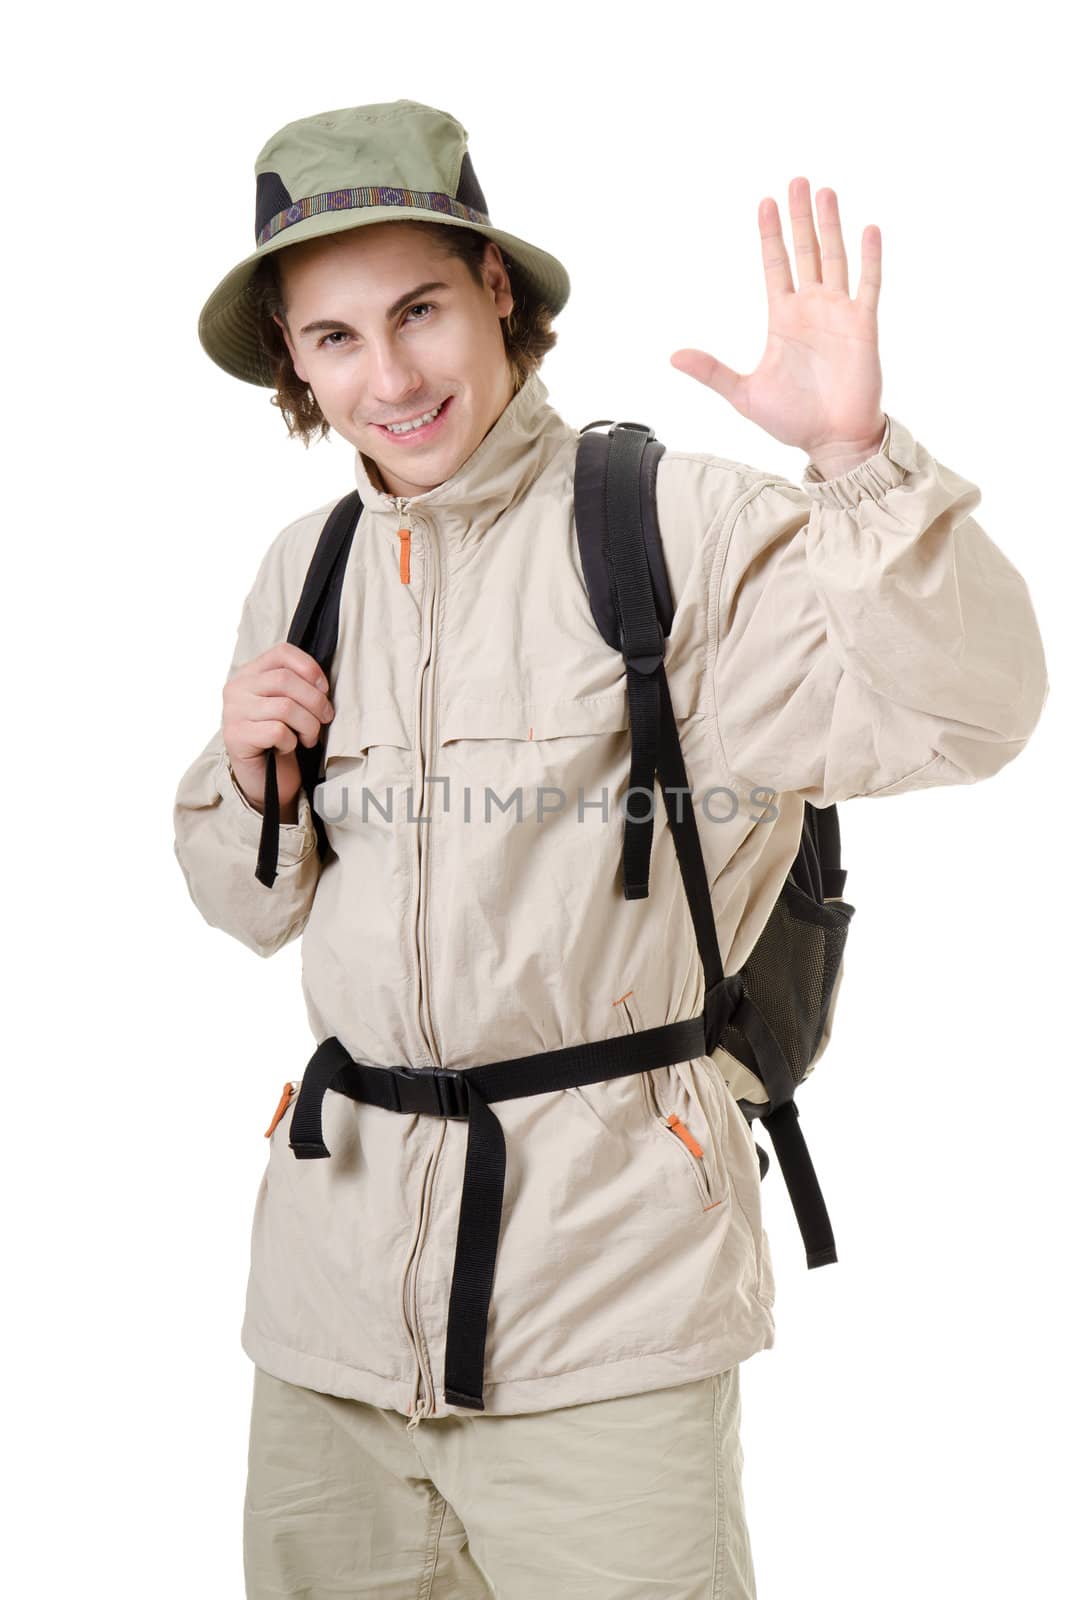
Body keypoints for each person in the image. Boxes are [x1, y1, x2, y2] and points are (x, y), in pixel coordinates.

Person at [173, 98, 1049, 1599]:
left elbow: (970, 718)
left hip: (610, 1315)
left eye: (420, 311)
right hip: (327, 1327)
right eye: (332, 341)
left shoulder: (670, 530)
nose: (388, 379)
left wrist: (859, 465)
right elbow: (247, 906)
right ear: (295, 368)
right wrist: (248, 769)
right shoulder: (304, 570)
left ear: (497, 290)